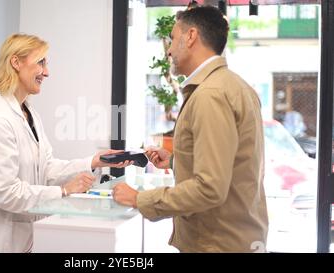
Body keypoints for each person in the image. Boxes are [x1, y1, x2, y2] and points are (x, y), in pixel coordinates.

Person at [0, 33, 132, 253]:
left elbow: (46, 167)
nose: (47, 72)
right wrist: (63, 191)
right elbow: (5, 192)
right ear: (16, 62)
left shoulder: (29, 114)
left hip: (21, 239)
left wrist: (93, 162)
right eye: (41, 62)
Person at [113, 6, 268, 252]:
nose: (170, 50)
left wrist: (139, 199)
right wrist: (177, 161)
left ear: (191, 36)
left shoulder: (210, 95)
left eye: (173, 39)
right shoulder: (234, 86)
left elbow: (209, 188)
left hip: (217, 243)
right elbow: (230, 163)